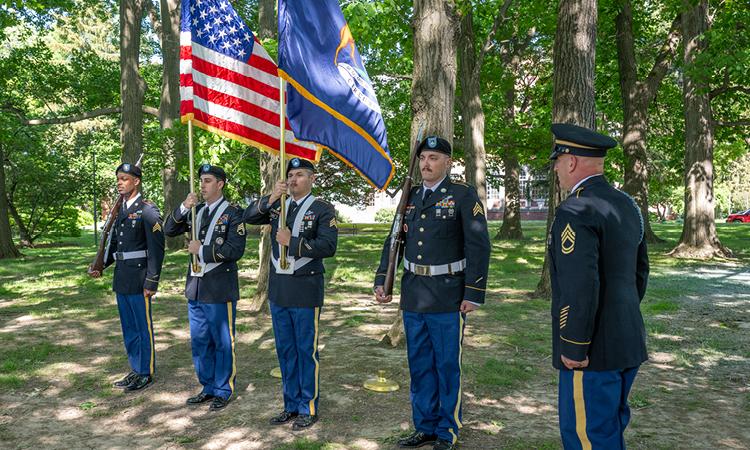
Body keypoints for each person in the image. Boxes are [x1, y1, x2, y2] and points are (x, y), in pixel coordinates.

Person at [373, 136, 491, 450]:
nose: (426, 163)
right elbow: (393, 239)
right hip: (414, 293)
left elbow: (479, 245)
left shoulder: (463, 195)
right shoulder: (409, 196)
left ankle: (447, 430)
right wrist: (381, 280)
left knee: (447, 365)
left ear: (448, 163)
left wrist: (474, 292)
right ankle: (424, 426)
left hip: (448, 295)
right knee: (420, 364)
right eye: (423, 157)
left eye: (434, 158)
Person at [548, 123, 649, 449]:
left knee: (587, 436)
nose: (557, 169)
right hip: (626, 338)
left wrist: (575, 345)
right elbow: (639, 273)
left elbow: (580, 284)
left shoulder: (576, 209)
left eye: (558, 161)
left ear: (571, 161)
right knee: (609, 432)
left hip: (591, 351)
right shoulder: (627, 204)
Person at [243, 157, 338, 430]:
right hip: (280, 290)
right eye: (291, 175)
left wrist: (292, 243)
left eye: (300, 174)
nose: (294, 179)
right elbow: (249, 217)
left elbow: (328, 246)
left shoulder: (322, 209)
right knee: (286, 350)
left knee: (305, 350)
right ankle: (290, 404)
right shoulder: (278, 206)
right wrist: (271, 196)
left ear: (312, 179)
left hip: (305, 289)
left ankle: (307, 407)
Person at [163, 164, 246, 411]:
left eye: (208, 180)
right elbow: (169, 229)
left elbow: (235, 250)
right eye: (201, 180)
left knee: (222, 341)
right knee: (200, 341)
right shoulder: (196, 211)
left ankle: (223, 388)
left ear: (220, 184)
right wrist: (183, 207)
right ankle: (207, 386)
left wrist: (203, 251)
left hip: (219, 286)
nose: (202, 185)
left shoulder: (233, 213)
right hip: (196, 287)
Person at [88, 162, 165, 392]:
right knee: (129, 328)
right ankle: (135, 368)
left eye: (125, 179)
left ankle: (146, 372)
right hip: (122, 277)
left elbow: (157, 249)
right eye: (118, 179)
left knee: (143, 327)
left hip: (140, 278)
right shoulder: (120, 209)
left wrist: (152, 280)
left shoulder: (147, 210)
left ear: (136, 181)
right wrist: (101, 265)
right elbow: (116, 246)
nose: (120, 183)